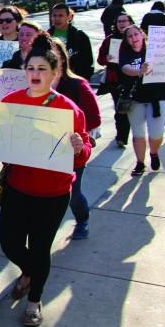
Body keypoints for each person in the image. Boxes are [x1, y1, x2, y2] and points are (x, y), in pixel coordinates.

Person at [0, 33, 92, 327]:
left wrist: (79, 148)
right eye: (31, 69)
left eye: (42, 69)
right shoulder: (11, 101)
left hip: (52, 193)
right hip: (17, 187)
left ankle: (34, 301)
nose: (35, 74)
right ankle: (30, 271)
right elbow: (0, 142)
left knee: (40, 248)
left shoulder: (68, 109)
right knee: (10, 243)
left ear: (54, 73)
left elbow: (84, 153)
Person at [52, 39, 101, 240]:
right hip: (42, 150)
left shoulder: (77, 84)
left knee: (71, 192)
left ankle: (82, 220)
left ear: (62, 60)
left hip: (72, 150)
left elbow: (95, 117)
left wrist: (77, 134)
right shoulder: (32, 87)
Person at [118, 25, 165, 176]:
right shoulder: (125, 52)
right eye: (130, 36)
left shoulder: (155, 50)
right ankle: (140, 163)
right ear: (127, 40)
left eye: (136, 34)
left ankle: (154, 152)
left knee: (156, 133)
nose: (134, 38)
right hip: (135, 98)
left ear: (142, 35)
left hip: (157, 96)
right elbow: (125, 68)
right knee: (138, 134)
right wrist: (139, 72)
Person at [97, 12, 135, 147]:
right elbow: (100, 60)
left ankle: (128, 134)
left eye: (125, 21)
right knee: (120, 109)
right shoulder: (109, 40)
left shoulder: (136, 37)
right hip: (115, 80)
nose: (122, 24)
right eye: (119, 21)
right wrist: (105, 59)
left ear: (130, 22)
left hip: (133, 79)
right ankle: (121, 137)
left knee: (131, 110)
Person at [48, 3, 94, 82]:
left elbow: (88, 61)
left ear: (69, 17)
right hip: (53, 80)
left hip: (74, 80)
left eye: (60, 16)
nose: (57, 19)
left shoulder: (80, 36)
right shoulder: (47, 35)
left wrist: (82, 80)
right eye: (54, 16)